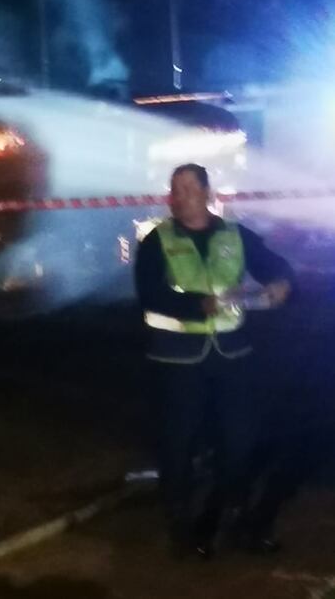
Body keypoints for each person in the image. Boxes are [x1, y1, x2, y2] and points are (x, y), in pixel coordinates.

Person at [134, 162, 294, 559]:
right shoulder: (158, 239)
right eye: (175, 188)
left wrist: (281, 283)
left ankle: (237, 522)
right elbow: (150, 293)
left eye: (189, 187)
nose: (180, 194)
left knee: (239, 442)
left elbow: (273, 263)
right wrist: (195, 304)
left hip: (232, 354)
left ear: (208, 193)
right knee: (179, 445)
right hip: (177, 358)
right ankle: (183, 531)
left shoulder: (235, 235)